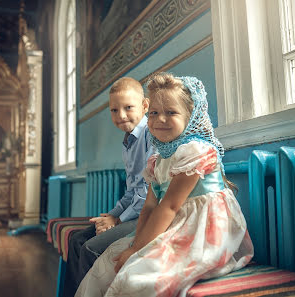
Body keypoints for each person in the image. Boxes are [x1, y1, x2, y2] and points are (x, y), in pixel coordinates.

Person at [75, 73, 254, 297]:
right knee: (106, 263)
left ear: (190, 115)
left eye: (171, 112)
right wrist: (135, 244)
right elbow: (149, 207)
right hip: (174, 224)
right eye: (154, 113)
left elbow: (168, 206)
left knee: (137, 276)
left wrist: (137, 249)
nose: (160, 119)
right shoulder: (158, 160)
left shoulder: (196, 151)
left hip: (204, 232)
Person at [63, 77, 155, 297]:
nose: (121, 115)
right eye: (114, 110)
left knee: (90, 249)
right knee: (76, 240)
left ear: (145, 105)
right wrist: (111, 216)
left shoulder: (150, 135)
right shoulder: (128, 142)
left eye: (128, 107)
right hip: (130, 213)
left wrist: (117, 221)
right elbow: (131, 190)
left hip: (148, 214)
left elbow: (145, 193)